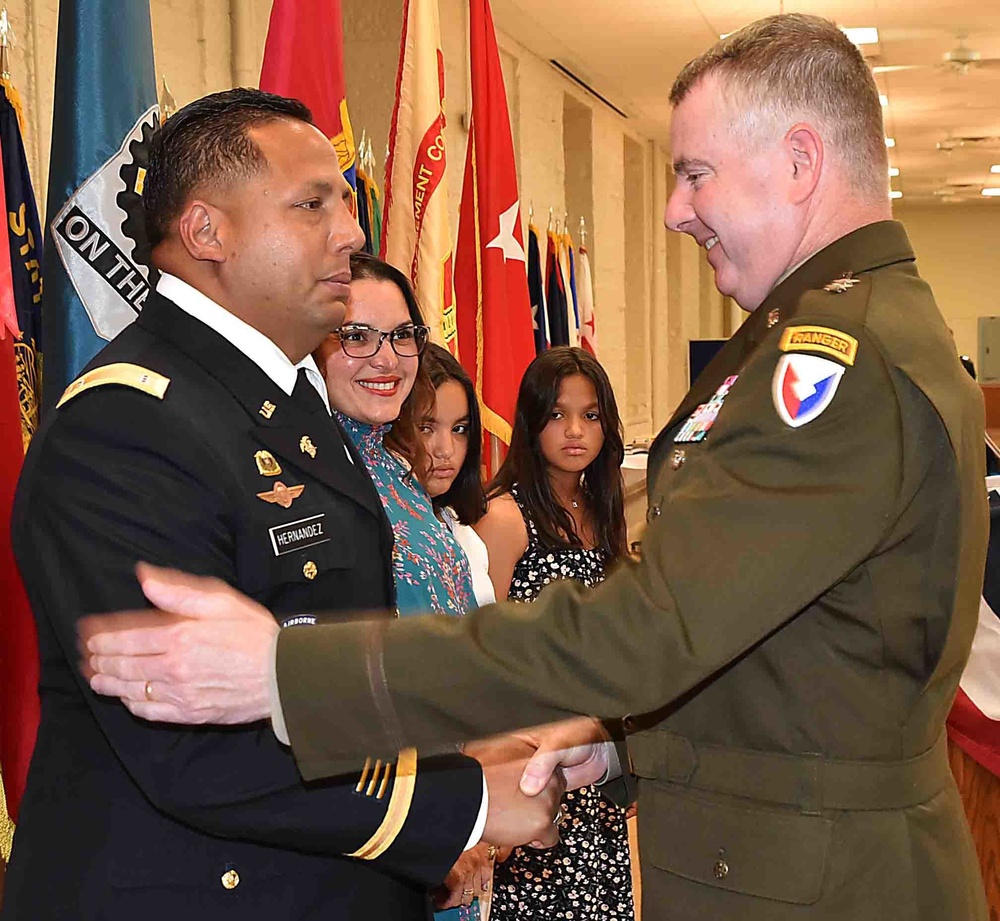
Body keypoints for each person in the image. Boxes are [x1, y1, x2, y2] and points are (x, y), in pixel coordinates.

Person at [84, 16, 991, 920]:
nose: (676, 209)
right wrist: (627, 750)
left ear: (799, 162)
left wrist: (294, 672)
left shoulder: (838, 362)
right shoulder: (139, 417)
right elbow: (804, 662)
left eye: (694, 172)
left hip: (821, 882)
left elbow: (656, 626)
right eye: (311, 204)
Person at [6, 88, 563, 921]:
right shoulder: (126, 424)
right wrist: (463, 803)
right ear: (206, 232)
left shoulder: (288, 401)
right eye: (313, 204)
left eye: (343, 201)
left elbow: (333, 655)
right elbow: (190, 744)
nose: (353, 232)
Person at [315, 256, 491, 920]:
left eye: (402, 335)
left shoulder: (394, 467)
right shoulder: (310, 475)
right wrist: (427, 833)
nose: (385, 357)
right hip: (382, 836)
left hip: (450, 811)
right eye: (356, 335)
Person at [474, 347, 634, 921]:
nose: (574, 431)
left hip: (594, 755)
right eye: (558, 414)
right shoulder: (505, 518)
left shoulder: (603, 510)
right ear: (531, 420)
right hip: (531, 761)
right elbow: (476, 652)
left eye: (590, 416)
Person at [418, 343, 494, 607]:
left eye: (459, 429)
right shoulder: (388, 530)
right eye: (426, 428)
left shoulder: (459, 526)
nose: (446, 450)